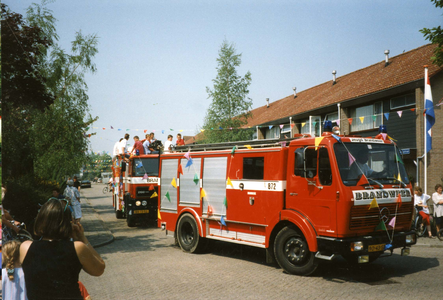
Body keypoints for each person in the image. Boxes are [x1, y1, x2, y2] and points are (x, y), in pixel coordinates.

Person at [20, 198, 105, 300]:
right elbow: (99, 269)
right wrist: (82, 238)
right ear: (67, 223)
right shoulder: (77, 248)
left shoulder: (25, 247)